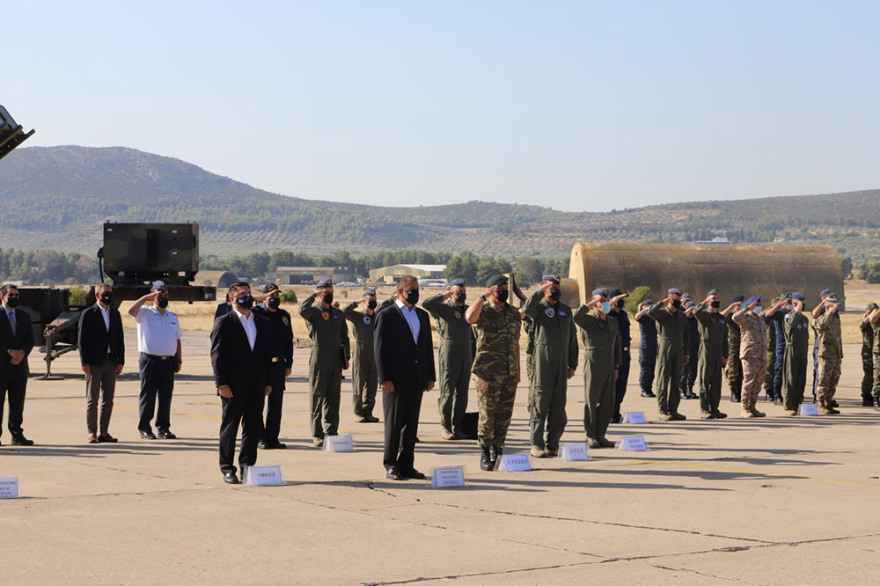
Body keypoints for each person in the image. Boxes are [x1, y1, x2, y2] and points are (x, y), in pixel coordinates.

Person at [374, 275, 435, 480]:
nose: (415, 293)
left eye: (417, 289)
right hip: (395, 379)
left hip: (416, 377)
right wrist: (384, 378)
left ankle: (407, 464)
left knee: (411, 424)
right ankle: (390, 464)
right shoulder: (387, 315)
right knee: (394, 423)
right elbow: (380, 350)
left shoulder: (422, 315)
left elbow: (426, 348)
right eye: (412, 290)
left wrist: (430, 376)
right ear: (400, 291)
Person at [210, 282, 273, 484]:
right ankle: (227, 468)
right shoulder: (224, 322)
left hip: (256, 384)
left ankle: (247, 466)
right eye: (243, 294)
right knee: (230, 427)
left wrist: (267, 381)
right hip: (233, 386)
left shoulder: (261, 321)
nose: (248, 297)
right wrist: (221, 384)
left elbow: (266, 354)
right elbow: (217, 356)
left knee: (252, 427)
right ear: (232, 299)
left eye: (249, 293)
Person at [466, 275, 522, 470]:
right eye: (500, 289)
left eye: (506, 288)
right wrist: (483, 296)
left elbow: (515, 343)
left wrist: (518, 370)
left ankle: (498, 450)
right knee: (487, 414)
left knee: (504, 415)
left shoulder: (513, 313)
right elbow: (469, 317)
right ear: (492, 290)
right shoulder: (484, 310)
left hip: (509, 371)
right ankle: (485, 451)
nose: (504, 291)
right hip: (488, 372)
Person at [522, 274, 578, 458]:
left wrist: (572, 363)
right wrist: (541, 291)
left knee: (559, 405)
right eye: (551, 287)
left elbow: (572, 337)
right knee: (540, 402)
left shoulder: (565, 310)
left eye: (557, 287)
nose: (555, 290)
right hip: (543, 361)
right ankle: (536, 444)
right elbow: (526, 309)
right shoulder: (538, 308)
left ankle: (553, 443)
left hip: (561, 363)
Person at [128, 280, 182, 440]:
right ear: (153, 297)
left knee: (165, 396)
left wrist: (178, 360)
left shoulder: (172, 316)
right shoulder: (145, 313)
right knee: (148, 395)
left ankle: (163, 428)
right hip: (149, 361)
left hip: (167, 362)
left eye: (165, 295)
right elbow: (131, 311)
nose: (163, 298)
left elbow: (177, 339)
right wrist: (146, 297)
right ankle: (144, 427)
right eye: (160, 295)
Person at [299, 278, 350, 447]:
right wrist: (313, 295)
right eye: (325, 292)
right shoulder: (314, 312)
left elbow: (344, 336)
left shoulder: (338, 314)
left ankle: (331, 431)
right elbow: (302, 310)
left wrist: (346, 356)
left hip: (335, 358)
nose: (329, 294)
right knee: (317, 396)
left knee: (333, 397)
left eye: (331, 291)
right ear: (319, 293)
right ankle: (317, 433)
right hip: (319, 357)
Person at [422, 278, 474, 440]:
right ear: (451, 293)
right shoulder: (444, 309)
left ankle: (457, 426)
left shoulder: (468, 310)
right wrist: (444, 296)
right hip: (450, 353)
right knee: (447, 391)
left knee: (462, 393)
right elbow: (426, 304)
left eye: (463, 292)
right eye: (458, 292)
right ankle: (445, 426)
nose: (461, 295)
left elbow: (472, 335)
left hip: (466, 355)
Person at [574, 289, 621, 448]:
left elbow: (617, 344)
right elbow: (576, 317)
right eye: (602, 301)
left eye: (607, 300)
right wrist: (590, 304)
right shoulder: (588, 320)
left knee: (608, 402)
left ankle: (601, 434)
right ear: (595, 303)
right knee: (592, 400)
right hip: (594, 361)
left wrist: (616, 366)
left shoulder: (612, 322)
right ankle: (591, 435)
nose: (606, 303)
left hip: (609, 362)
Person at [78, 284, 125, 443]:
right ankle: (92, 432)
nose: (108, 296)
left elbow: (119, 339)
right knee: (92, 399)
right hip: (94, 363)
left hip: (111, 361)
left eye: (110, 293)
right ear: (97, 295)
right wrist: (84, 362)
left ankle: (104, 432)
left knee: (108, 399)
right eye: (105, 293)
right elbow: (82, 340)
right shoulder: (88, 314)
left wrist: (121, 361)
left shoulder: (115, 314)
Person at [252, 284, 293, 449]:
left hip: (278, 365)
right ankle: (260, 437)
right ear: (264, 298)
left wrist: (289, 363)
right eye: (271, 296)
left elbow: (288, 341)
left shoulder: (284, 316)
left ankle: (272, 437)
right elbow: (242, 304)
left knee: (276, 404)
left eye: (277, 295)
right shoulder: (257, 313)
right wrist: (258, 299)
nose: (275, 299)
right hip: (261, 364)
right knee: (258, 403)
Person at [647, 289, 690, 421]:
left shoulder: (682, 316)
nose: (677, 301)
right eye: (675, 299)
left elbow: (686, 336)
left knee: (676, 381)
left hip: (679, 349)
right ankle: (662, 410)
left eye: (679, 299)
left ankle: (673, 410)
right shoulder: (662, 313)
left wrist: (686, 353)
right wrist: (663, 302)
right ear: (670, 299)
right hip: (665, 347)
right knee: (663, 380)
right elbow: (650, 312)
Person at [0, 284, 35, 446]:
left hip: (19, 366)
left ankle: (16, 434)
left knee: (17, 403)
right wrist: (8, 351)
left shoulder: (24, 316)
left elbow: (30, 339)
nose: (14, 298)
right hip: (2, 366)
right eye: (11, 295)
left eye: (16, 295)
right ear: (2, 297)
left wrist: (22, 353)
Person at [342, 289, 380, 423]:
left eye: (374, 299)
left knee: (372, 385)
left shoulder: (377, 316)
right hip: (361, 351)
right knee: (359, 384)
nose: (372, 302)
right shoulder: (358, 316)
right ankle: (358, 412)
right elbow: (344, 312)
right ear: (364, 301)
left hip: (374, 352)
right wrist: (356, 302)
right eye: (369, 300)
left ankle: (368, 411)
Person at [693, 289, 728, 419]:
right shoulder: (704, 316)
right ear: (708, 301)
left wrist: (725, 356)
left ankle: (714, 409)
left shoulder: (721, 318)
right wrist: (704, 302)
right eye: (713, 299)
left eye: (717, 299)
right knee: (705, 381)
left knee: (716, 383)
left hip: (718, 353)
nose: (716, 301)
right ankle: (704, 409)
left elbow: (724, 339)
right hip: (706, 351)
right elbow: (695, 311)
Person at [732, 296, 767, 418]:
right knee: (748, 381)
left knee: (758, 383)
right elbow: (735, 317)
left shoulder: (760, 319)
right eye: (756, 305)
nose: (758, 307)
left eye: (759, 305)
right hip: (749, 354)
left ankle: (752, 406)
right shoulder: (745, 318)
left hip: (761, 355)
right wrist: (747, 308)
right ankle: (745, 408)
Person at [814, 294, 843, 415]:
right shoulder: (821, 319)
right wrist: (829, 312)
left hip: (836, 354)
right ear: (828, 307)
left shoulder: (836, 319)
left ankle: (828, 402)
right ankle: (821, 404)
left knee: (833, 381)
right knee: (823, 381)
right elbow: (820, 325)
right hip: (826, 355)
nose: (836, 309)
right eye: (834, 307)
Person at [781, 292, 810, 415]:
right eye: (800, 302)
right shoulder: (788, 316)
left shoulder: (804, 319)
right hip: (792, 349)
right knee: (790, 378)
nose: (802, 304)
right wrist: (796, 311)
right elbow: (791, 325)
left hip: (802, 350)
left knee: (800, 378)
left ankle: (798, 403)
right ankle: (789, 405)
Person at [607, 288, 631, 423]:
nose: (621, 301)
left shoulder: (623, 314)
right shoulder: (607, 314)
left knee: (621, 385)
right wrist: (610, 304)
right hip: (612, 354)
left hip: (624, 353)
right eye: (619, 299)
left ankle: (616, 412)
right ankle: (609, 412)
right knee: (612, 385)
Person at [723, 295, 744, 403]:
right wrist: (732, 306)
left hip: (744, 345)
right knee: (733, 369)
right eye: (739, 304)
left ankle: (739, 390)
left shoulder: (744, 316)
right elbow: (722, 316)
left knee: (741, 370)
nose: (741, 306)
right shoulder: (730, 316)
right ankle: (733, 391)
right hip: (733, 346)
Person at [635, 300, 657, 398]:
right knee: (645, 367)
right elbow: (636, 317)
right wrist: (645, 309)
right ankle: (644, 388)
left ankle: (649, 387)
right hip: (645, 344)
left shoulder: (653, 318)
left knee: (652, 367)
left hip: (653, 344)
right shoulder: (643, 317)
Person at [679, 296, 699, 400]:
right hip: (685, 348)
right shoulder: (682, 319)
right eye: (691, 309)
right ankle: (681, 389)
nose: (692, 311)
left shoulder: (695, 320)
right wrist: (686, 312)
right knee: (684, 370)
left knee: (693, 370)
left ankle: (689, 389)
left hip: (695, 347)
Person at [859, 303, 878, 407]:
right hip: (868, 351)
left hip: (876, 350)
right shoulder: (866, 320)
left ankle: (875, 395)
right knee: (869, 374)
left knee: (877, 375)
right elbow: (862, 325)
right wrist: (869, 315)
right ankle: (866, 396)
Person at [869, 304, 880, 411]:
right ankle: (876, 399)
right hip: (878, 351)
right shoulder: (877, 314)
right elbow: (872, 319)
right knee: (878, 376)